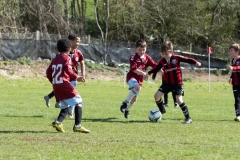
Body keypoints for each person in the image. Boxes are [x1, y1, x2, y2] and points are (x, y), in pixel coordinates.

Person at [148, 41, 201, 124]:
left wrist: (196, 62)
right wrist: (149, 73)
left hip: (177, 83)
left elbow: (187, 59)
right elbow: (156, 68)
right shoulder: (162, 61)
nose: (164, 56)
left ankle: (188, 118)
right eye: (163, 54)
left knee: (179, 100)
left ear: (171, 52)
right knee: (156, 96)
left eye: (166, 53)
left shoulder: (176, 58)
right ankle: (162, 110)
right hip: (167, 83)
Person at [46, 38, 89, 133]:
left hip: (56, 85)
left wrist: (54, 81)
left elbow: (48, 72)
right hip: (64, 84)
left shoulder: (55, 59)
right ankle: (77, 125)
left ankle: (58, 122)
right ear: (69, 49)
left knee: (66, 105)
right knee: (79, 102)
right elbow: (68, 70)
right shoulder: (67, 58)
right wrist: (77, 77)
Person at [44, 34, 85, 111]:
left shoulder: (78, 52)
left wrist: (82, 75)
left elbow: (82, 63)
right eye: (77, 41)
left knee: (68, 91)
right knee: (73, 94)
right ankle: (69, 111)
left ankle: (56, 100)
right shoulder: (61, 55)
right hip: (65, 76)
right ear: (71, 41)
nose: (78, 44)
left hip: (72, 76)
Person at [119, 39, 157, 119]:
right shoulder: (133, 57)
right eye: (140, 50)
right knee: (137, 87)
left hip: (140, 80)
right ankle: (125, 103)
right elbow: (134, 69)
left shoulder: (147, 58)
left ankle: (127, 110)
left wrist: (162, 70)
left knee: (134, 98)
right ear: (135, 48)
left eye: (143, 50)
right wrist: (143, 73)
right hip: (131, 78)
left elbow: (155, 65)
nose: (142, 51)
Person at [227, 43, 240, 122]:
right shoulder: (233, 60)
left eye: (231, 50)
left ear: (237, 51)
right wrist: (231, 77)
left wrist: (233, 68)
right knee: (237, 99)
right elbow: (234, 71)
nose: (230, 52)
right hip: (235, 83)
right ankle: (238, 116)